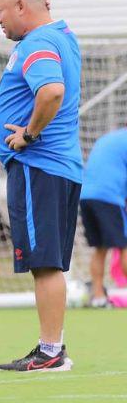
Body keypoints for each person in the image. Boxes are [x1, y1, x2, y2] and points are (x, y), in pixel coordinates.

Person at [0, 0, 81, 372]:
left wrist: (29, 134)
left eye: (1, 9)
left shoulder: (39, 42)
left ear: (22, 8)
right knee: (49, 263)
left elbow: (52, 91)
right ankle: (52, 348)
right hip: (57, 167)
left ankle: (50, 352)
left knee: (43, 263)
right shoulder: (61, 36)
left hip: (39, 167)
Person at [79, 128, 127, 307]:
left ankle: (98, 298)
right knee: (124, 246)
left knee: (100, 248)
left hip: (86, 196)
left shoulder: (108, 138)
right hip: (109, 197)